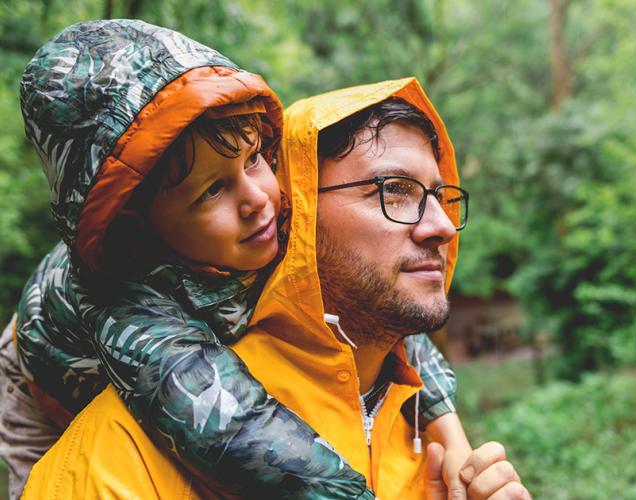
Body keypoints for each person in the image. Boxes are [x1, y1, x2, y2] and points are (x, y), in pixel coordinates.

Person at [0, 20, 468, 499]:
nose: (258, 199)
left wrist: (447, 425)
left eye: (253, 160)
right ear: (141, 225)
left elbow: (387, 318)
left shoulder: (260, 224)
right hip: (47, 387)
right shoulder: (129, 298)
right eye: (212, 190)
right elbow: (225, 422)